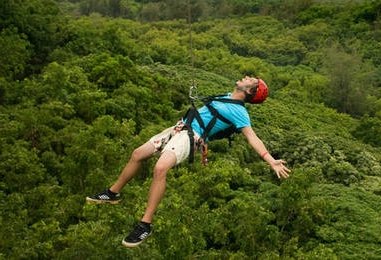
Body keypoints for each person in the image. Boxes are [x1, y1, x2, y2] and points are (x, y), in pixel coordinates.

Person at [86, 76, 291, 247]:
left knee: (160, 168)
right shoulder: (226, 97)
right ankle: (112, 193)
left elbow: (252, 137)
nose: (245, 77)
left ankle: (145, 225)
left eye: (250, 80)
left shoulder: (240, 112)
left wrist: (270, 160)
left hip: (191, 137)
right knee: (138, 154)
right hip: (179, 129)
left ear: (249, 91)